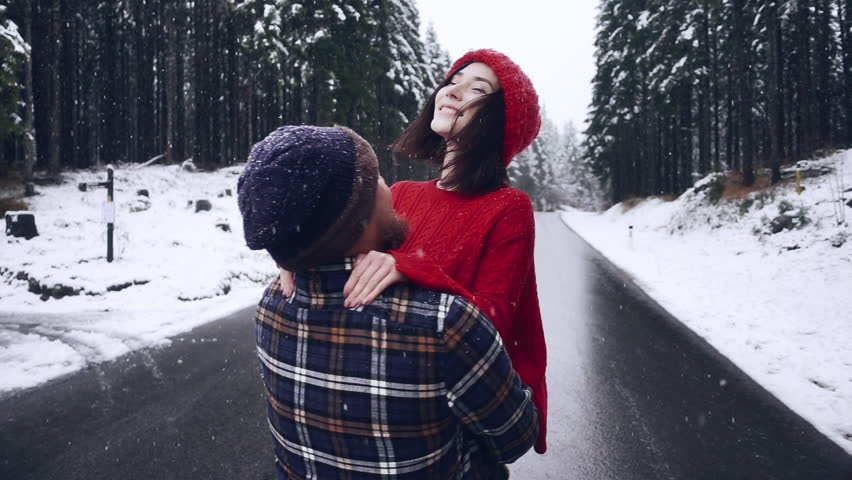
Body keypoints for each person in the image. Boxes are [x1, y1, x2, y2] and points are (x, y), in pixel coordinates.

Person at [280, 49, 549, 454]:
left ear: (500, 122)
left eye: (476, 89)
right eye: (453, 80)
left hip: (436, 417)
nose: (453, 90)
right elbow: (350, 263)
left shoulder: (508, 208)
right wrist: (302, 261)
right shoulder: (402, 194)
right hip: (370, 399)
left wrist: (410, 267)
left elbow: (493, 320)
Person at [238, 125, 538, 479]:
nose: (389, 186)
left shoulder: (273, 304)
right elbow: (515, 438)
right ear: (359, 214)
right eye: (377, 176)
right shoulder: (445, 324)